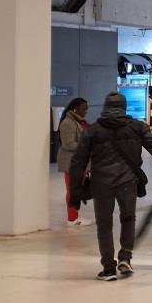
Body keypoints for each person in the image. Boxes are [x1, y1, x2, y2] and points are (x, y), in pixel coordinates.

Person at [69, 92, 152, 281]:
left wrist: (75, 193)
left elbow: (78, 162)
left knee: (104, 225)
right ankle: (125, 257)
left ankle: (108, 268)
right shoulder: (137, 127)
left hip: (101, 184)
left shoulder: (93, 130)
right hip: (127, 182)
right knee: (128, 218)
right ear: (124, 107)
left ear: (105, 107)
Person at [57, 97, 94, 227]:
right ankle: (72, 219)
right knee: (72, 190)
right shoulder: (68, 123)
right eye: (84, 109)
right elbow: (68, 144)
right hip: (71, 163)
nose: (86, 111)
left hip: (79, 163)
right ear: (75, 109)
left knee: (76, 189)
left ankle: (75, 216)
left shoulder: (78, 121)